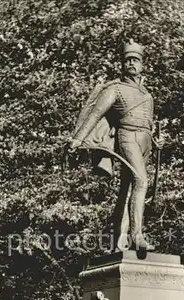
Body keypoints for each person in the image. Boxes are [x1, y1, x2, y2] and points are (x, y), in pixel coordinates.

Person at [69, 39, 164, 251]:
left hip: (146, 141)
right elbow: (95, 114)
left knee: (128, 188)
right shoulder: (115, 89)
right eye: (127, 60)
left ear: (142, 65)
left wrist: (157, 141)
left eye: (136, 60)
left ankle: (119, 241)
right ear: (122, 65)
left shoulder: (147, 95)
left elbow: (149, 122)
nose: (131, 63)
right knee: (141, 182)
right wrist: (77, 138)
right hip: (126, 136)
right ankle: (137, 237)